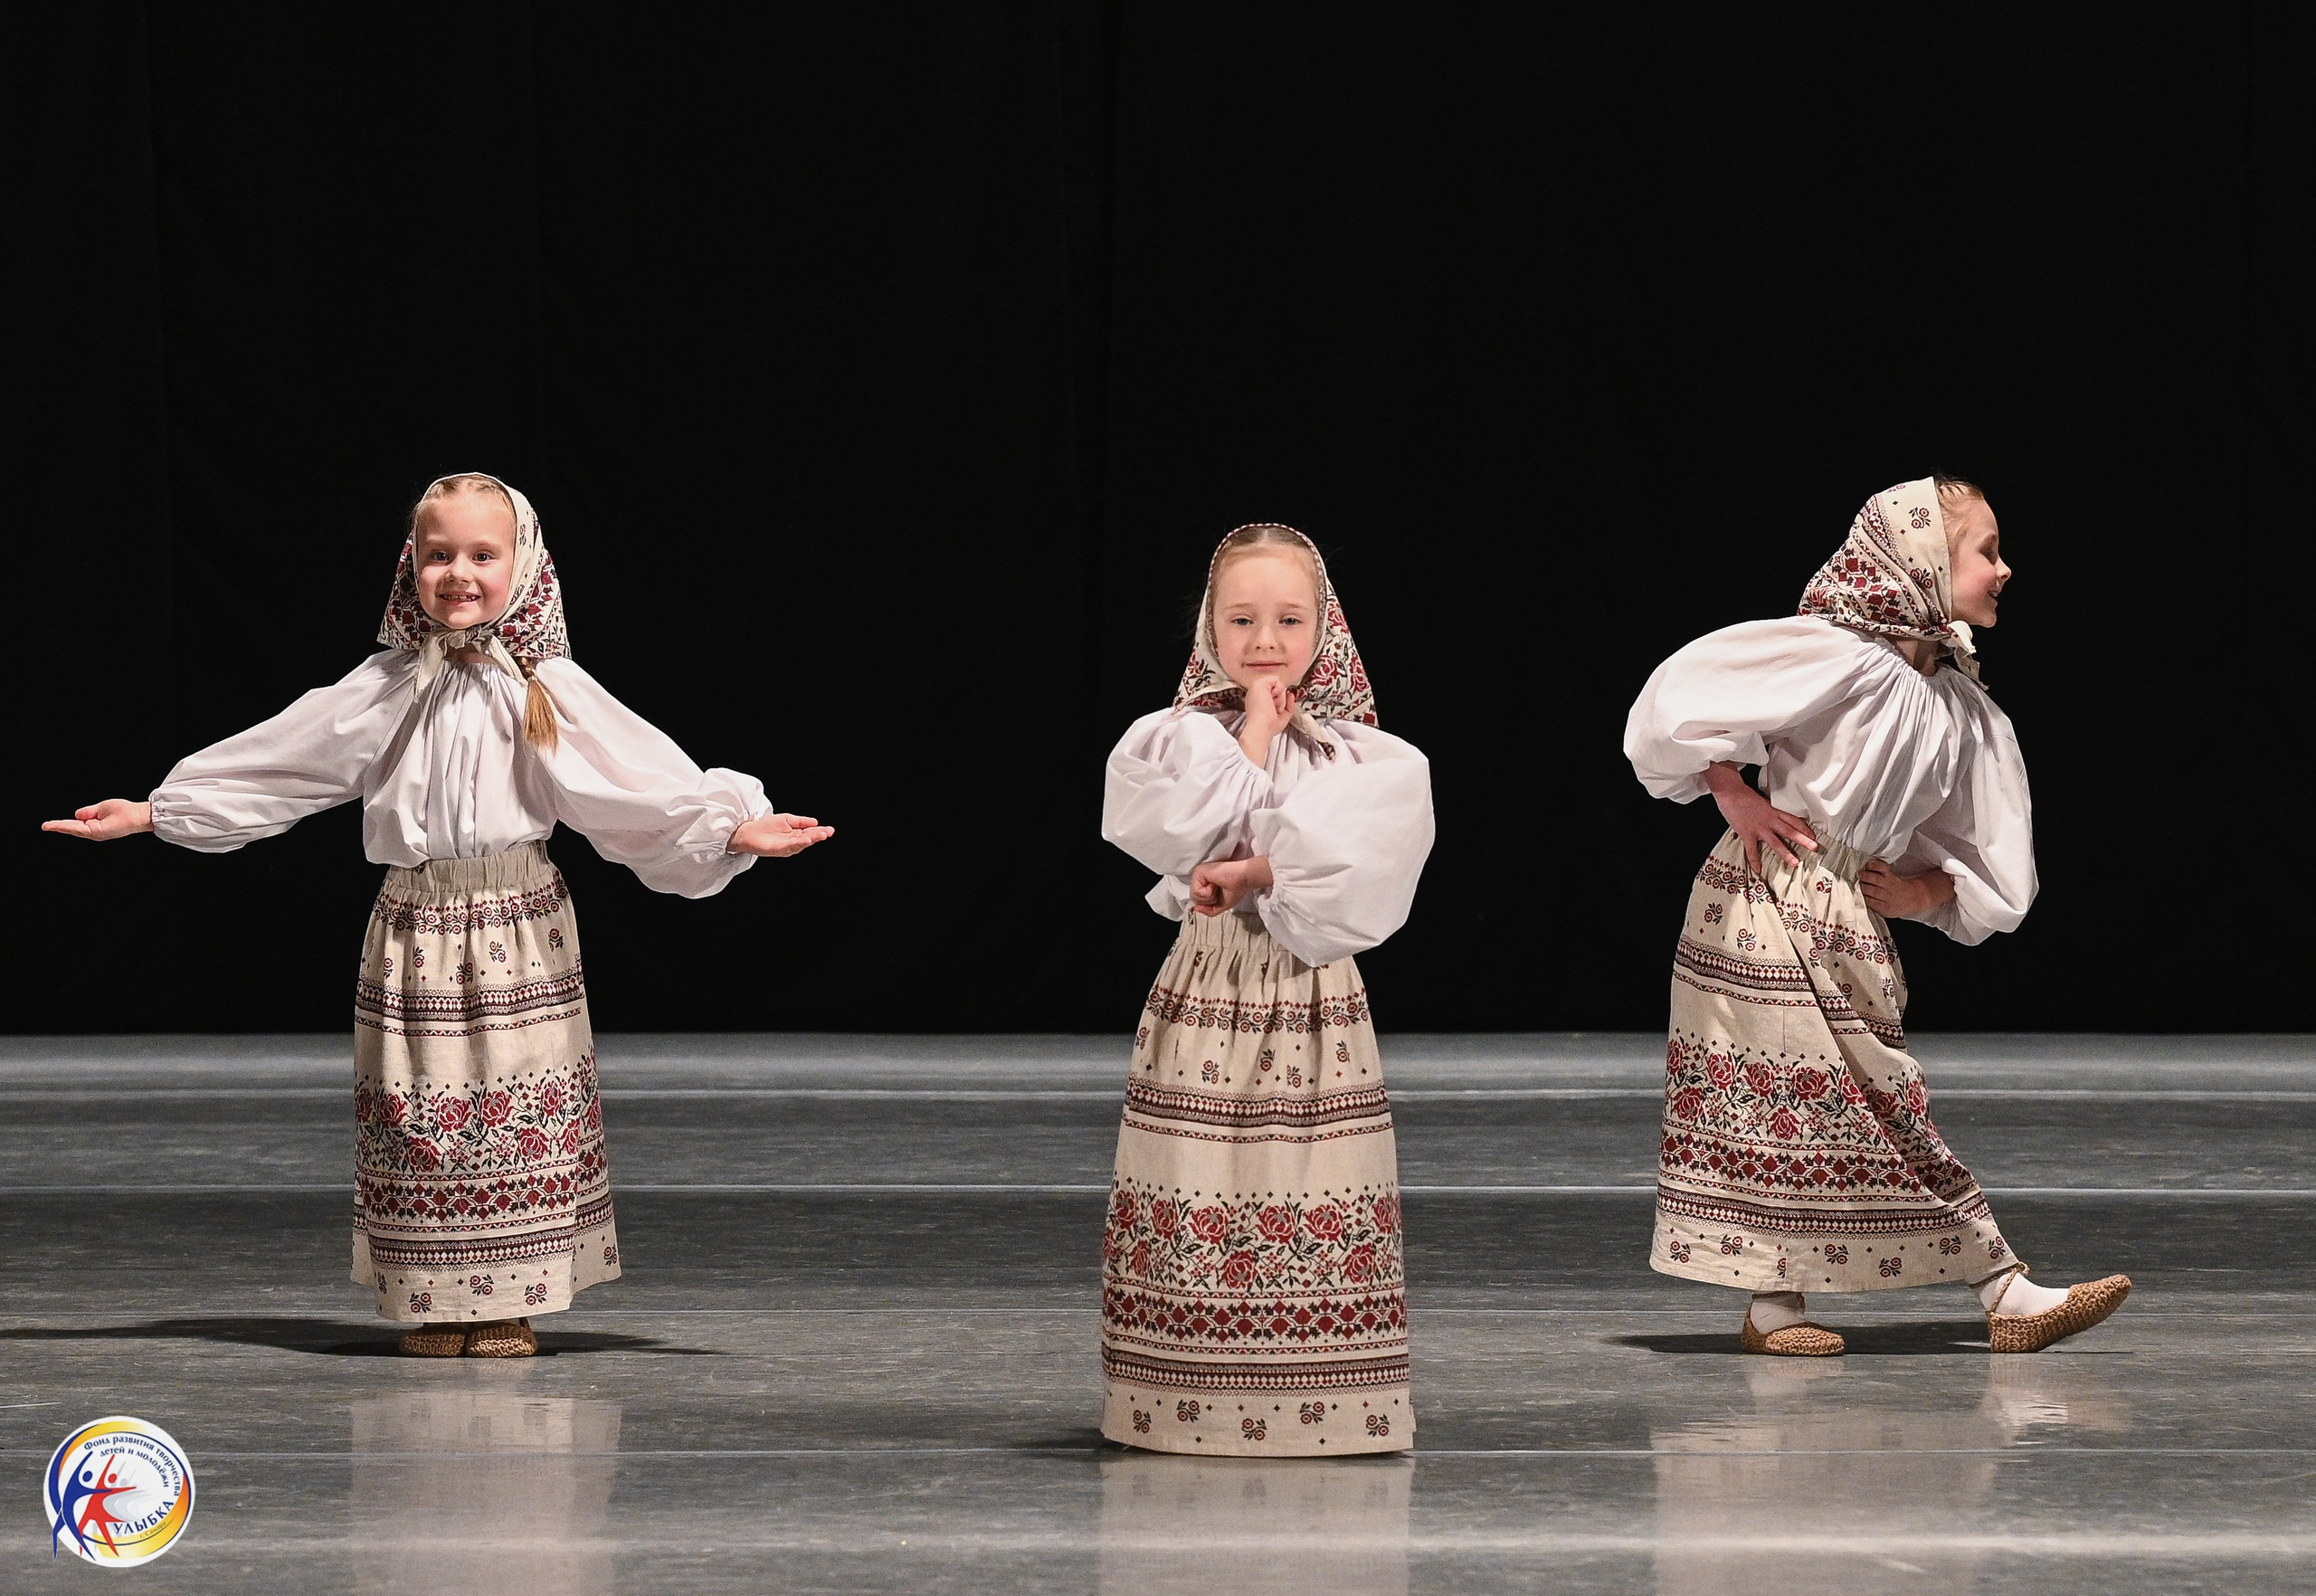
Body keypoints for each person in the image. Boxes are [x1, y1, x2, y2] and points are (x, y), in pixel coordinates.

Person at [44, 472, 831, 1357]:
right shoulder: (386, 688)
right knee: (419, 1111)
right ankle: (434, 1296)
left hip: (514, 926)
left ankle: (503, 1301)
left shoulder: (544, 687)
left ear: (522, 565)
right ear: (410, 564)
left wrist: (730, 825)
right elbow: (285, 760)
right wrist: (160, 811)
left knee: (509, 1103)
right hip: (416, 924)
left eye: (482, 556)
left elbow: (631, 784)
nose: (459, 574)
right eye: (439, 554)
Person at [1623, 476, 2128, 1356]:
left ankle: (1810, 1306)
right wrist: (1732, 791)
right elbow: (1675, 702)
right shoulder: (1835, 657)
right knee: (1804, 1101)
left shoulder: (1956, 704)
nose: (2002, 570)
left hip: (1846, 910)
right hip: (1764, 891)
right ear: (1923, 561)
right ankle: (1991, 1291)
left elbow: (1980, 861)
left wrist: (1919, 894)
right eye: (1984, 551)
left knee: (1862, 1097)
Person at [1097, 523, 1434, 1453]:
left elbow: (1366, 866)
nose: (1264, 641)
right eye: (1240, 619)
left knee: (1310, 1170)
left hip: (1309, 992)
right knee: (1198, 1173)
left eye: (1288, 619)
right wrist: (1250, 730)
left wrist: (1261, 872)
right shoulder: (1171, 739)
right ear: (1209, 626)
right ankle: (1184, 1399)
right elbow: (1176, 834)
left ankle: (1320, 1401)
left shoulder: (1363, 755)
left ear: (1324, 626)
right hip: (1209, 978)